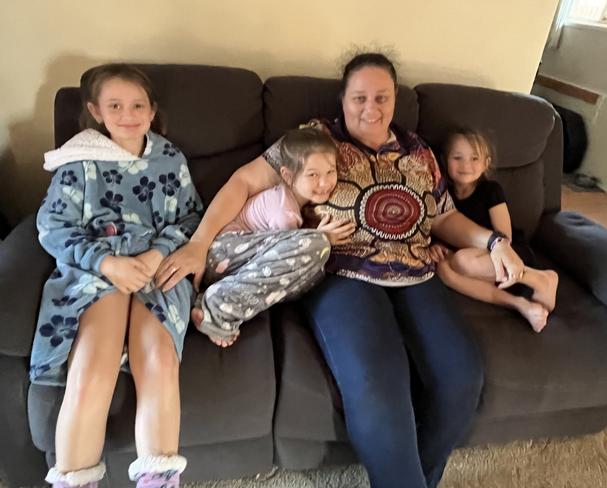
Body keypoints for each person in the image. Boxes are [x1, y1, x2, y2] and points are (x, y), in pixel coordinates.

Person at [156, 52, 525, 488]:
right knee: (379, 385)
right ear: (342, 99)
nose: (371, 108)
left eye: (382, 97)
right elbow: (244, 182)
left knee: (463, 377)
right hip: (343, 271)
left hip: (417, 272)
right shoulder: (315, 138)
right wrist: (200, 244)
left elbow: (443, 217)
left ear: (395, 100)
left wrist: (493, 240)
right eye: (360, 98)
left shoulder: (419, 151)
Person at [29, 64, 201, 488]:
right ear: (95, 110)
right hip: (96, 267)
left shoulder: (169, 158)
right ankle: (75, 480)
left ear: (152, 109)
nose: (128, 114)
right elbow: (52, 227)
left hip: (157, 265)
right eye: (115, 105)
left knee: (159, 358)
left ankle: (159, 479)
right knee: (92, 367)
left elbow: (191, 215)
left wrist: (159, 252)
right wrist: (107, 264)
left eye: (138, 105)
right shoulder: (78, 161)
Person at [192, 127, 350, 347]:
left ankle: (215, 298)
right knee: (316, 247)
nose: (324, 183)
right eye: (313, 175)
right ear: (287, 175)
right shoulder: (283, 208)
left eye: (330, 172)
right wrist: (322, 237)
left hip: (236, 262)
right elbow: (289, 256)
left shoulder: (294, 206)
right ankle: (219, 307)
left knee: (312, 271)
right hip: (223, 251)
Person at [434, 128, 559, 332]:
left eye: (475, 158)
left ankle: (537, 278)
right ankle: (521, 305)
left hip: (511, 256)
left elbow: (505, 238)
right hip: (487, 272)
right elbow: (444, 228)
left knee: (460, 261)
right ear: (444, 160)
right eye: (458, 158)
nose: (466, 165)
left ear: (486, 163)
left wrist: (462, 255)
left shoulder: (491, 190)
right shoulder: (443, 196)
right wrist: (439, 245)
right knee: (443, 270)